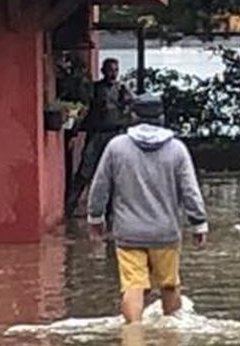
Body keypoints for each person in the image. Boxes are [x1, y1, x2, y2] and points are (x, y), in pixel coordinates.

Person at [87, 93, 209, 324]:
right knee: (169, 286)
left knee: (133, 287)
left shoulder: (117, 147)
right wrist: (198, 223)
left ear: (132, 116)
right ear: (161, 117)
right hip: (166, 233)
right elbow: (190, 190)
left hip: (128, 233)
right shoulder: (177, 149)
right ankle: (172, 339)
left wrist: (96, 218)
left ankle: (133, 338)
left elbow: (100, 185)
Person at [66, 57, 135, 212]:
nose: (113, 74)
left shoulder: (122, 90)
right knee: (85, 170)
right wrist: (75, 132)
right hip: (96, 134)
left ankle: (112, 210)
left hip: (115, 135)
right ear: (103, 71)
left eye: (116, 70)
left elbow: (131, 110)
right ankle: (70, 206)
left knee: (115, 173)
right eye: (110, 70)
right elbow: (84, 110)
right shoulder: (95, 89)